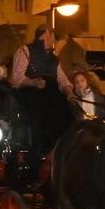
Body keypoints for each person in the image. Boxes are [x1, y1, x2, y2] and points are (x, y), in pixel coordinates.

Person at [10, 24, 75, 156]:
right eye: (53, 37)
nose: (54, 40)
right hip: (31, 98)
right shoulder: (24, 51)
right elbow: (16, 79)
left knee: (67, 115)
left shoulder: (53, 59)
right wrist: (33, 82)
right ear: (46, 33)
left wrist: (69, 92)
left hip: (52, 97)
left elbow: (63, 80)